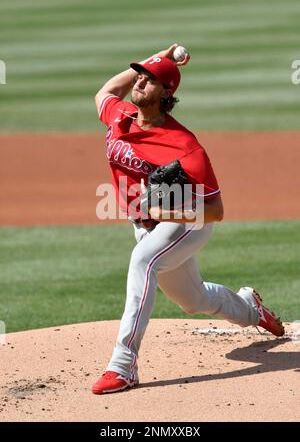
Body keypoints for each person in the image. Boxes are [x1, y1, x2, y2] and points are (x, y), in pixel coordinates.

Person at [91, 44, 284, 395]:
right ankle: (251, 309)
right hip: (148, 225)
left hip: (187, 224)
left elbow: (216, 210)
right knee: (193, 300)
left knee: (143, 262)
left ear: (167, 93)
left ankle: (123, 365)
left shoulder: (185, 146)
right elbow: (105, 92)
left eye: (150, 80)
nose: (140, 83)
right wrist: (157, 56)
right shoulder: (118, 116)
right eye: (139, 76)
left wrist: (165, 212)